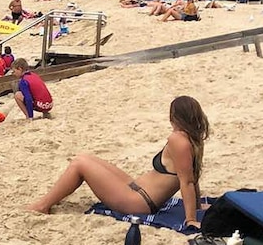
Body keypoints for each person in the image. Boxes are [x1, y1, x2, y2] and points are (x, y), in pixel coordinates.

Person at [29, 96, 209, 228]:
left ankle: (42, 206)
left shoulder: (178, 140)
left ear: (174, 116)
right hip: (138, 191)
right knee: (85, 158)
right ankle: (47, 202)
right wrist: (198, 205)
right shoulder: (191, 140)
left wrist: (191, 218)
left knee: (79, 164)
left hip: (138, 202)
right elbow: (191, 177)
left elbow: (187, 182)